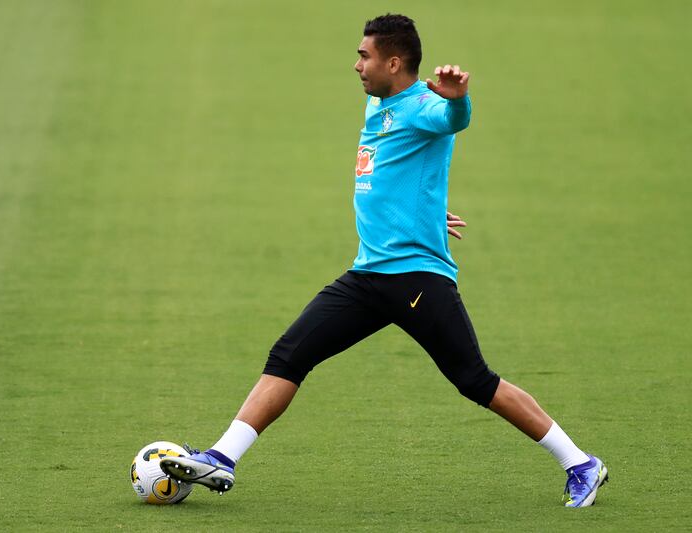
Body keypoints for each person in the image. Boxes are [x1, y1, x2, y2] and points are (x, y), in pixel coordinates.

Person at [161, 13, 608, 507]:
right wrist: (426, 207)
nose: (356, 64)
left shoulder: (423, 105)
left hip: (416, 279)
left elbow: (450, 122)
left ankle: (581, 463)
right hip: (369, 276)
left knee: (475, 381)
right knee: (289, 355)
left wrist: (458, 99)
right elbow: (402, 172)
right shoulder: (379, 103)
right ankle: (223, 457)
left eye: (364, 55)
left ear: (394, 62)